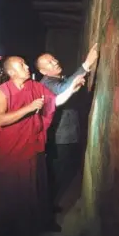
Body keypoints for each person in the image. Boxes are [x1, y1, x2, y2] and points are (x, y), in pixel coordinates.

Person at [0, 56, 86, 236]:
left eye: (26, 64)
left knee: (35, 185)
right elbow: (1, 119)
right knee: (12, 187)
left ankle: (37, 223)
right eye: (22, 65)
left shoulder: (35, 86)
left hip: (32, 143)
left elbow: (54, 102)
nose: (27, 67)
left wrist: (72, 89)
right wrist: (28, 108)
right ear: (11, 72)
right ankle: (10, 227)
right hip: (11, 148)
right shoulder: (3, 91)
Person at [35, 44, 99, 203]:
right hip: (60, 138)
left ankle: (48, 206)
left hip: (67, 135)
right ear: (43, 71)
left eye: (53, 59)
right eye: (49, 63)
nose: (55, 62)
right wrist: (86, 65)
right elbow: (63, 89)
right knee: (56, 175)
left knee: (60, 173)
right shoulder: (47, 83)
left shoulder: (58, 78)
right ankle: (46, 210)